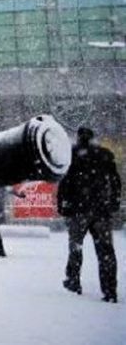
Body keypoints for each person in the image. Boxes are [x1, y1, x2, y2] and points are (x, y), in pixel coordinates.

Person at [57, 127, 120, 303]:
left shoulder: (72, 155)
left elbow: (65, 181)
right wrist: (113, 202)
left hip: (79, 211)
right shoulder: (105, 155)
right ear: (92, 138)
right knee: (106, 251)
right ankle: (110, 289)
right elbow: (115, 182)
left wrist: (63, 205)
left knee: (76, 247)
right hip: (102, 211)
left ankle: (73, 281)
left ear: (78, 138)